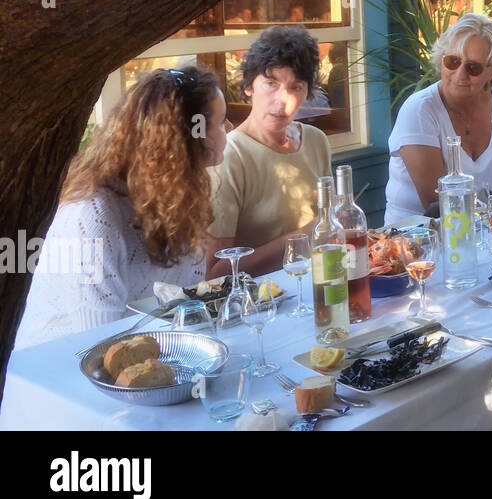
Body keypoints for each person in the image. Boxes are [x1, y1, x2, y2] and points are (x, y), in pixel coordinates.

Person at [15, 68, 228, 349]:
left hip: (151, 351)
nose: (230, 129)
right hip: (62, 371)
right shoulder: (92, 216)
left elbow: (185, 302)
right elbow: (101, 346)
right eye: (222, 121)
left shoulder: (177, 196)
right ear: (189, 137)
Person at [207, 26, 330, 276]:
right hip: (259, 303)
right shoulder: (230, 156)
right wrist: (303, 237)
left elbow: (330, 224)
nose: (282, 100)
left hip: (316, 288)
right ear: (248, 86)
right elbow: (216, 272)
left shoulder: (316, 141)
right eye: (271, 84)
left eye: (296, 87)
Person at [386, 14, 492, 224]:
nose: (460, 74)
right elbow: (437, 202)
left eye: (473, 67)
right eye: (452, 61)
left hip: (487, 232)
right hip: (416, 238)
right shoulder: (420, 110)